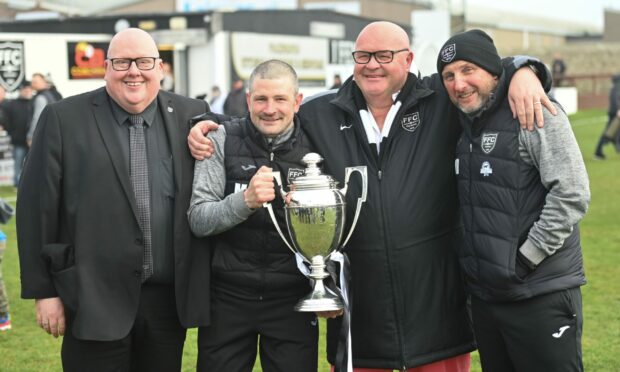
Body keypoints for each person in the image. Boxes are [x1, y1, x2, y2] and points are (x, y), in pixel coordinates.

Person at [188, 21, 553, 371]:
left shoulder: (442, 100)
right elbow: (266, 121)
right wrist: (202, 126)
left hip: (437, 306)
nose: (372, 65)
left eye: (384, 55)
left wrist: (524, 71)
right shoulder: (320, 112)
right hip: (360, 310)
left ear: (408, 60)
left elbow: (484, 76)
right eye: (362, 56)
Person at [16, 28, 211, 371]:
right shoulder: (64, 118)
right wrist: (44, 291)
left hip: (166, 305)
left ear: (160, 68)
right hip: (93, 298)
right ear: (106, 67)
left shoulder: (191, 115)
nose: (133, 71)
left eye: (144, 61)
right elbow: (35, 210)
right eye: (122, 62)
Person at [438, 29, 590, 372]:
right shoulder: (462, 122)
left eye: (467, 70)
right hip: (489, 298)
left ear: (494, 72)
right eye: (449, 75)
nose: (458, 83)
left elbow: (572, 193)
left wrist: (525, 260)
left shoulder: (534, 109)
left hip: (538, 292)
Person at [188, 59, 317, 372]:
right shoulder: (219, 139)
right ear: (248, 100)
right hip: (228, 297)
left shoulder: (317, 144)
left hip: (292, 300)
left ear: (297, 102)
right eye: (260, 99)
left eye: (280, 99)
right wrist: (244, 201)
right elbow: (198, 218)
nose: (269, 108)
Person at [4, 80, 33, 186]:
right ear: (21, 90)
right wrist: (11, 132)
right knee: (18, 164)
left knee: (32, 164)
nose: (27, 92)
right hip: (18, 140)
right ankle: (18, 184)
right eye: (25, 90)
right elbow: (6, 120)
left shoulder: (33, 102)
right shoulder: (12, 104)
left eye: (29, 90)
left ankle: (30, 184)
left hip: (32, 141)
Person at [26, 72, 62, 146]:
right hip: (53, 134)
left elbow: (37, 118)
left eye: (35, 82)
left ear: (43, 82)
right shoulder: (52, 94)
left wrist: (31, 136)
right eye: (32, 82)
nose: (32, 84)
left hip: (43, 135)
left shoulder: (41, 98)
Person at [594, 74, 620, 159]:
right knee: (608, 133)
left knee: (614, 132)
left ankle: (617, 146)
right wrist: (618, 110)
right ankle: (598, 152)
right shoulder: (617, 87)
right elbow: (615, 99)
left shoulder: (615, 87)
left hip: (614, 113)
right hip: (615, 114)